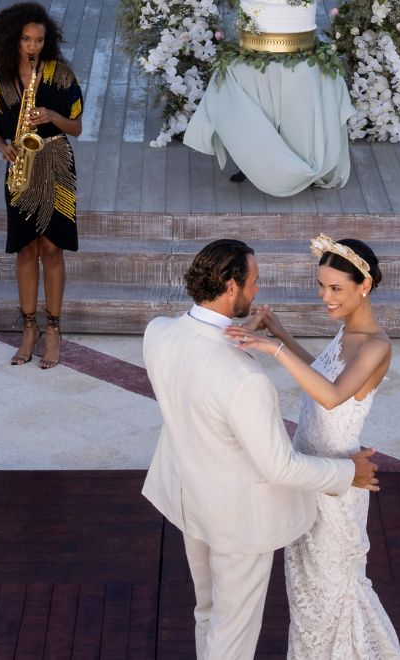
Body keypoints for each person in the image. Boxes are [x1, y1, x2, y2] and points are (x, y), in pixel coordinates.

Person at [144, 239, 380, 660]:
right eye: (252, 283)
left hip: (187, 500)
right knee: (230, 636)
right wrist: (349, 474)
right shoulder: (246, 379)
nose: (256, 292)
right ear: (232, 287)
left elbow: (205, 372)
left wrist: (272, 338)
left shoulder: (159, 333)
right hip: (238, 521)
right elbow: (280, 467)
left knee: (207, 612)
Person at [229, 236, 400, 660]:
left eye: (335, 289)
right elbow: (321, 373)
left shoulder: (376, 345)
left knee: (332, 589)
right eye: (321, 286)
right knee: (305, 589)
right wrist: (280, 332)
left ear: (364, 285)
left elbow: (331, 396)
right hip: (307, 471)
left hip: (339, 480)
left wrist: (272, 349)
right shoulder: (347, 330)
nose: (324, 297)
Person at [0, 2, 83, 371]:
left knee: (53, 251)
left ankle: (53, 330)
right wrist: (3, 147)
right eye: (27, 39)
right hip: (20, 168)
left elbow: (77, 127)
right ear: (14, 39)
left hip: (57, 163)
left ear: (48, 41)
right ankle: (29, 330)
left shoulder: (61, 76)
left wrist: (54, 116)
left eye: (39, 40)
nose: (33, 46)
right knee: (26, 250)